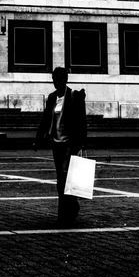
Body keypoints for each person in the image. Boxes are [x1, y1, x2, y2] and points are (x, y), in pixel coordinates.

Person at [34, 66, 87, 226]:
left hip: (69, 144)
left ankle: (64, 215)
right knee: (61, 179)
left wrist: (81, 143)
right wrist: (38, 138)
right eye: (54, 80)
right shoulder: (52, 97)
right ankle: (72, 206)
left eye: (59, 80)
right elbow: (45, 118)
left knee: (64, 178)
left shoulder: (74, 96)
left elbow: (81, 122)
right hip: (56, 144)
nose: (56, 83)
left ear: (65, 80)